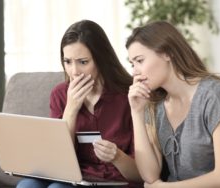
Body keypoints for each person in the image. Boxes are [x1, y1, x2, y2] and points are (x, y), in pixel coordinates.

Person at [16, 20, 142, 188]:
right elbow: (56, 160)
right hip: (75, 177)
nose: (74, 72)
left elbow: (141, 175)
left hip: (113, 181)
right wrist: (71, 110)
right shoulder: (60, 94)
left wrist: (116, 156)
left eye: (83, 62)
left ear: (101, 59)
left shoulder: (129, 95)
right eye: (67, 61)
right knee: (28, 185)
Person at [126, 20, 220, 188]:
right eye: (132, 64)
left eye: (140, 61)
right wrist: (137, 112)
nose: (134, 71)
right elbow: (149, 175)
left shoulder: (213, 95)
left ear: (167, 53)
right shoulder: (153, 104)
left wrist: (164, 187)